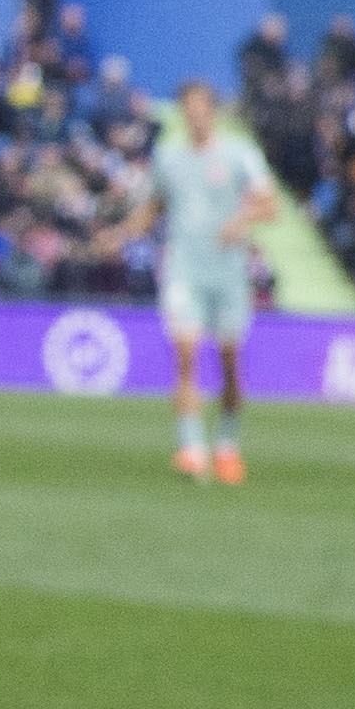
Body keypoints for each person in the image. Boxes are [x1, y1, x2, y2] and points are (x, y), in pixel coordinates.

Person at [151, 80, 287, 484]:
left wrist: (241, 219)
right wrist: (119, 233)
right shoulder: (167, 159)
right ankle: (192, 449)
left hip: (228, 272)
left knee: (228, 362)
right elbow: (155, 205)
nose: (194, 116)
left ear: (213, 112)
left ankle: (226, 444)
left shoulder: (239, 155)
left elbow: (269, 204)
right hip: (184, 268)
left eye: (200, 109)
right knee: (186, 353)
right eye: (187, 110)